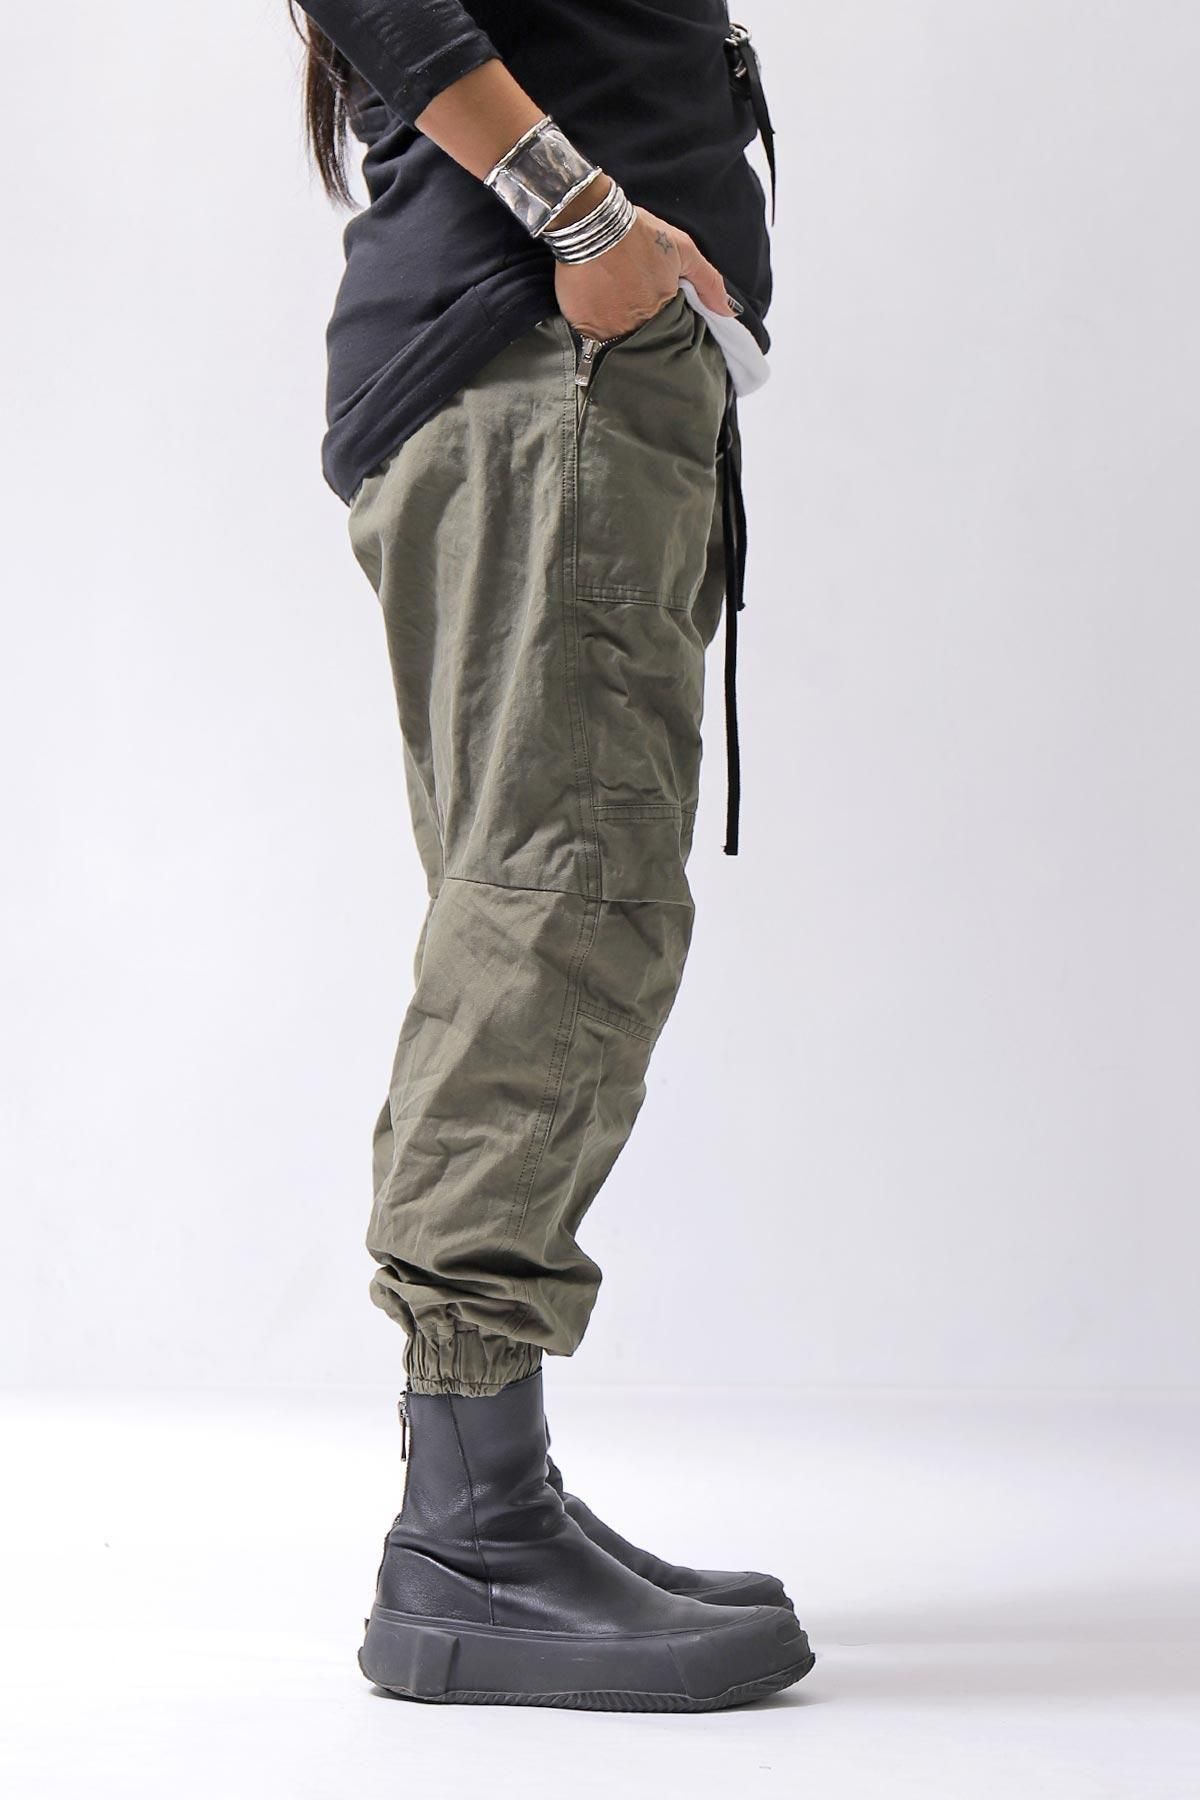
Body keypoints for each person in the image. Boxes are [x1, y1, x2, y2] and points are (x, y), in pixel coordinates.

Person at [290, 0, 812, 1710]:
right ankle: (470, 1537)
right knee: (559, 913)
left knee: (540, 904)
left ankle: (494, 1496)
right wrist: (587, 221)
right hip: (537, 351)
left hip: (563, 365)